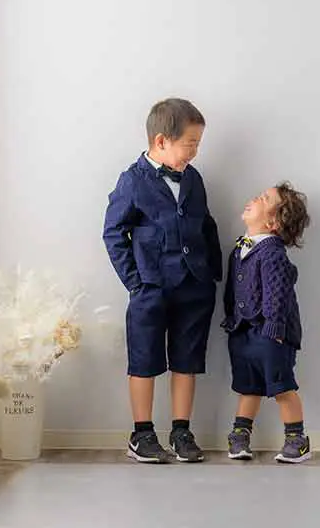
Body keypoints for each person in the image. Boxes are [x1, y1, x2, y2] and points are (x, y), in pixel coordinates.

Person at [103, 98, 222, 463]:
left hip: (194, 286)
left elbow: (205, 224)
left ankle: (181, 431)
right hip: (150, 289)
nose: (195, 151)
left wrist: (212, 273)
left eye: (198, 144)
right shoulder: (132, 181)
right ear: (161, 141)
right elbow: (113, 233)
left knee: (187, 359)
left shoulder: (193, 178)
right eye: (190, 144)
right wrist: (136, 283)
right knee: (144, 358)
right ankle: (142, 434)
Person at [222, 182, 311, 463]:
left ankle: (297, 439)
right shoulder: (240, 249)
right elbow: (231, 291)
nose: (254, 198)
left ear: (273, 222)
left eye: (263, 199)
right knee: (248, 385)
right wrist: (231, 319)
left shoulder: (272, 253)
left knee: (281, 385)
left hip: (271, 333)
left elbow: (277, 292)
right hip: (243, 331)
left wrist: (274, 327)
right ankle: (240, 434)